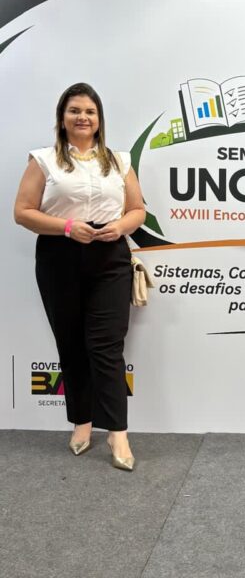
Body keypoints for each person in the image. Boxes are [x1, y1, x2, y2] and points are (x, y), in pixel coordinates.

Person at [14, 82, 146, 471]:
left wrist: (120, 226)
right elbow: (23, 211)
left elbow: (137, 209)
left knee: (107, 346)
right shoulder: (43, 160)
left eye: (89, 111)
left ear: (99, 119)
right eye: (74, 110)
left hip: (110, 257)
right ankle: (82, 423)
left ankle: (118, 433)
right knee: (71, 344)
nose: (82, 117)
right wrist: (68, 227)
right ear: (62, 118)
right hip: (60, 257)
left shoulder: (119, 161)